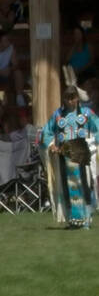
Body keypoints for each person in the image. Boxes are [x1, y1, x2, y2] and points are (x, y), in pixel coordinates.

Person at [40, 83, 99, 229]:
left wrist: (93, 144)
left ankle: (85, 220)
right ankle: (72, 220)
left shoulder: (86, 113)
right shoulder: (58, 115)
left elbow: (97, 128)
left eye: (73, 98)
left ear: (78, 98)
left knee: (83, 185)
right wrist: (51, 145)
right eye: (67, 98)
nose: (70, 101)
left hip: (81, 152)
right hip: (64, 154)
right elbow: (46, 132)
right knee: (66, 187)